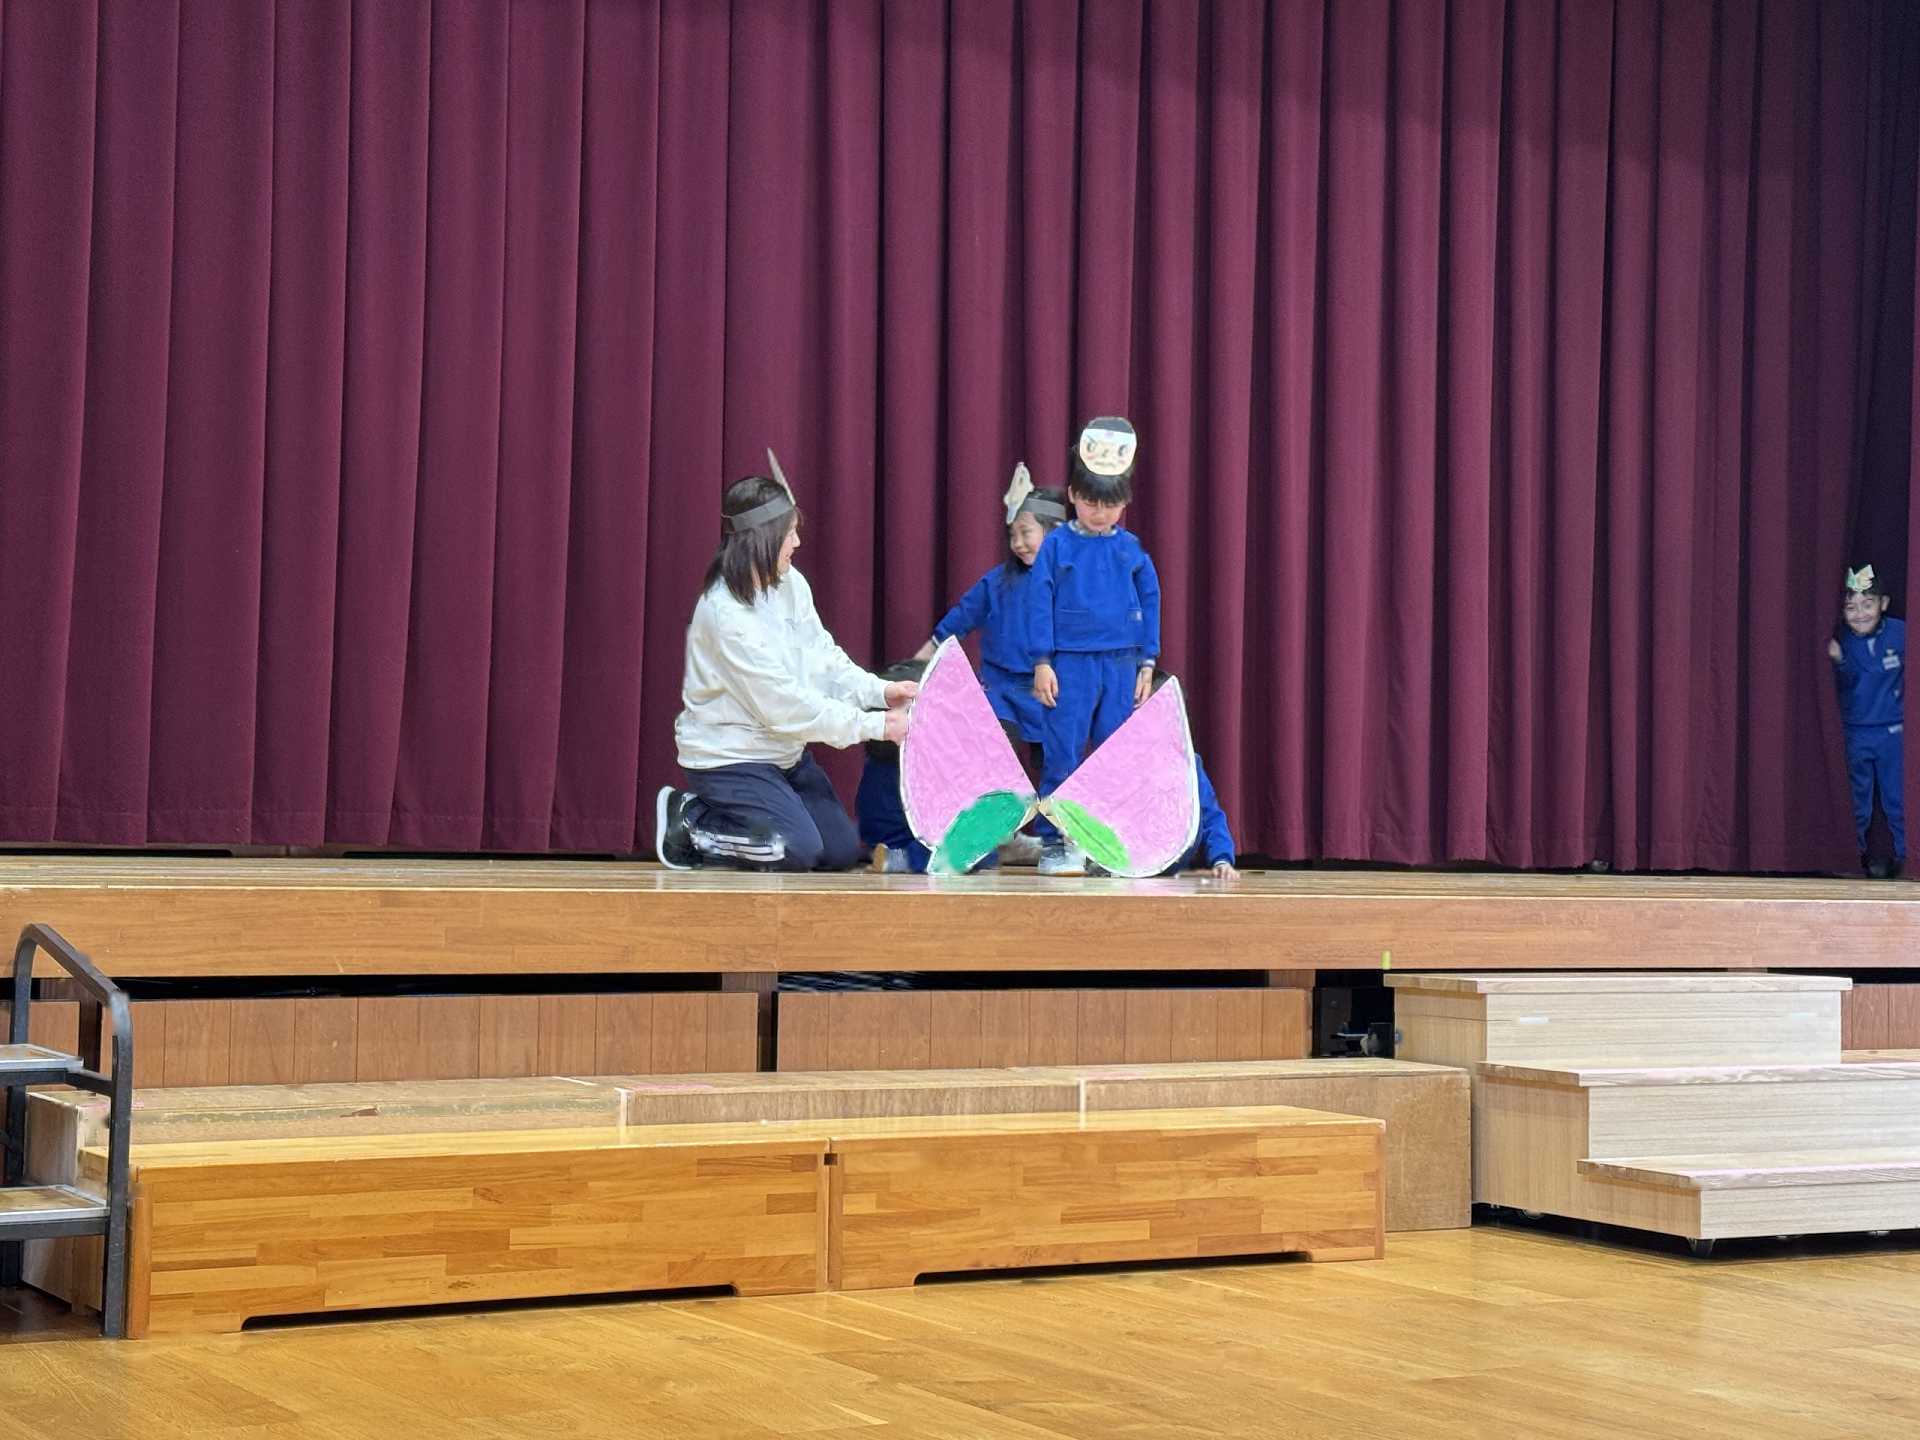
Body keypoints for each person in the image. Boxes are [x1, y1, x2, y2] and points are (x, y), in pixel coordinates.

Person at [656, 468, 916, 871]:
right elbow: (784, 707)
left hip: (783, 755)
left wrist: (878, 691)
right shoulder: (725, 615)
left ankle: (750, 815)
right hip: (730, 758)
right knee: (793, 848)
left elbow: (822, 656)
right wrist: (876, 726)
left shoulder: (790, 582)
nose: (797, 542)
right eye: (789, 532)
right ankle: (693, 820)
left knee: (840, 851)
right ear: (762, 538)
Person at [914, 464, 1067, 863]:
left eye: (1026, 533)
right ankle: (1002, 836)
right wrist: (920, 663)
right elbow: (959, 620)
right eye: (1012, 535)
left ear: (1054, 532)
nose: (1018, 543)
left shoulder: (1071, 583)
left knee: (1057, 767)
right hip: (1001, 691)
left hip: (1050, 692)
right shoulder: (998, 582)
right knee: (996, 759)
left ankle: (1057, 842)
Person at [1029, 416, 1162, 875]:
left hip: (1121, 664)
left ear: (1124, 502)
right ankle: (1056, 843)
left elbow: (1151, 599)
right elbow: (1038, 601)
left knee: (1112, 755)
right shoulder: (1056, 547)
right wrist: (1042, 661)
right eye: (1089, 502)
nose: (1099, 513)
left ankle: (1105, 845)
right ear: (1072, 495)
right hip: (1069, 664)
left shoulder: (1131, 548)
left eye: (1109, 504)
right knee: (1062, 752)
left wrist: (1148, 662)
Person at [1828, 563, 1905, 878]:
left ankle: (1907, 857)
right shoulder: (1840, 641)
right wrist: (1838, 660)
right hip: (1855, 732)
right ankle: (1852, 857)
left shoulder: (1902, 634)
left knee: (1898, 797)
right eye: (1851, 607)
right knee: (1856, 801)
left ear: (1883, 604)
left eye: (1868, 604)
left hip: (1894, 733)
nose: (1860, 614)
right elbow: (1842, 683)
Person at [1149, 670, 1240, 880]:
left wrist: (1222, 859)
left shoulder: (1187, 763)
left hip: (1170, 864)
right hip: (1122, 865)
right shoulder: (1115, 762)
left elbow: (1210, 816)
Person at [856, 659, 933, 873]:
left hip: (883, 837)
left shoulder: (880, 759)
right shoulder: (902, 767)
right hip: (903, 842)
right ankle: (902, 859)